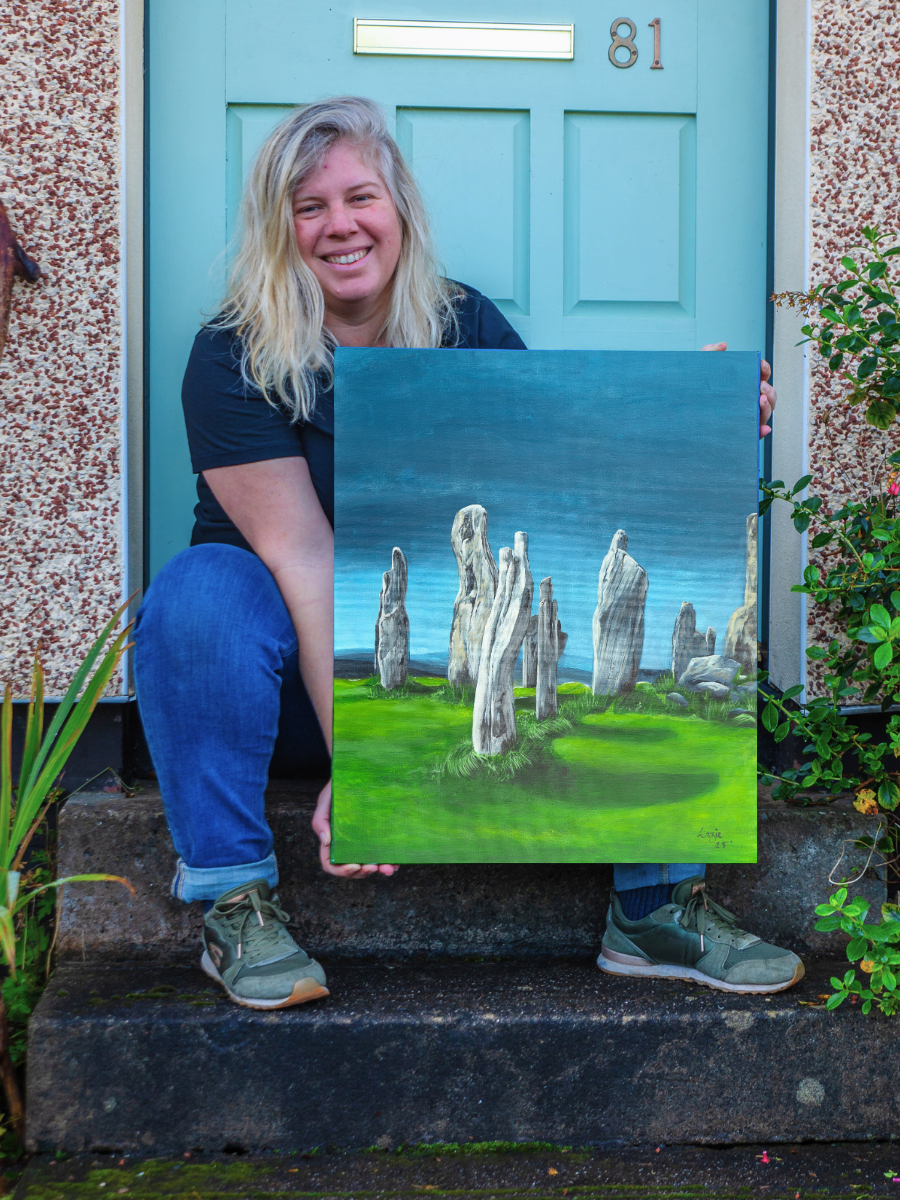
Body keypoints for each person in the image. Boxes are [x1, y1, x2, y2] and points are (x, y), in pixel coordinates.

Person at [133, 96, 801, 1011]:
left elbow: (558, 477)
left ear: (399, 204)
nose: (340, 226)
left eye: (360, 196)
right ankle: (235, 905)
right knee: (198, 591)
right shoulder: (230, 358)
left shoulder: (461, 324)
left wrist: (699, 414)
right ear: (278, 227)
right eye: (308, 206)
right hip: (279, 688)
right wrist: (367, 773)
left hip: (444, 682)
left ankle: (654, 907)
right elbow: (303, 557)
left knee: (635, 552)